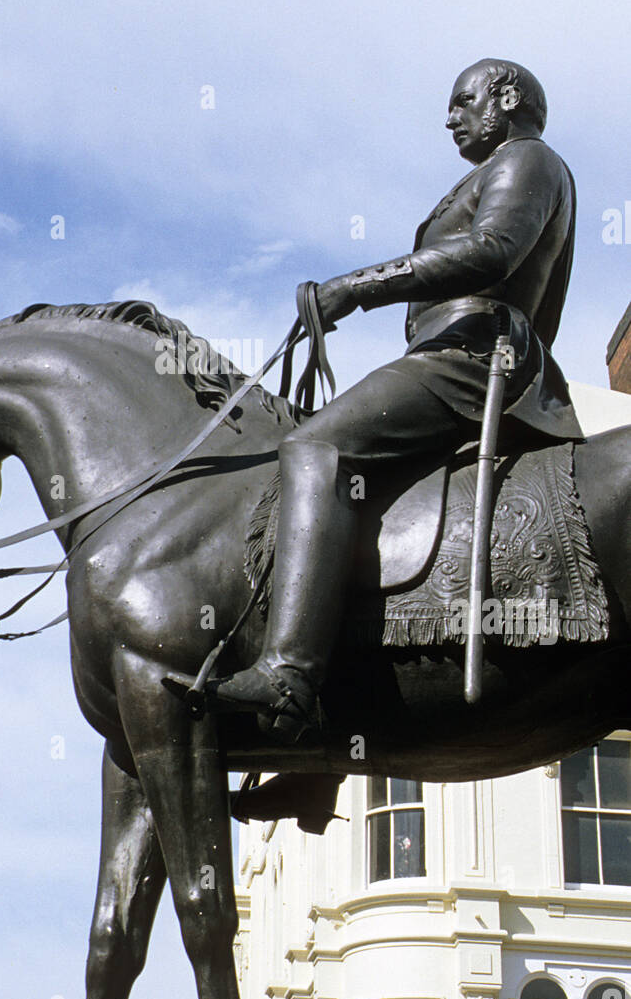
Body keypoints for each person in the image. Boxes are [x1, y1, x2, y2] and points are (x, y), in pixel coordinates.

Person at [213, 59, 584, 740]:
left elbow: (493, 249)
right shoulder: (497, 167)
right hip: (458, 351)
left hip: (472, 356)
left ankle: (288, 676)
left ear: (506, 97)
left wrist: (355, 287)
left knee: (315, 444)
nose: (451, 118)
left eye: (462, 101)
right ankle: (320, 750)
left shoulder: (528, 159)